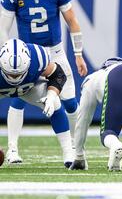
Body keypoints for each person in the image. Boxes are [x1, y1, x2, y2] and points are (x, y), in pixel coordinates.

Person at [0, 0, 88, 164]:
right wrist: (7, 56)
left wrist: (78, 54)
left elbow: (72, 21)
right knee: (18, 97)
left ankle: (77, 147)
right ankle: (12, 149)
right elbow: (2, 28)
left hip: (54, 53)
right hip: (27, 54)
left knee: (69, 102)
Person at [0, 39, 74, 167]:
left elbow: (58, 74)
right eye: (10, 75)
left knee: (55, 102)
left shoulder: (37, 56)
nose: (15, 79)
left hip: (29, 88)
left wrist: (51, 96)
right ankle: (12, 150)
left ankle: (69, 153)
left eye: (18, 75)